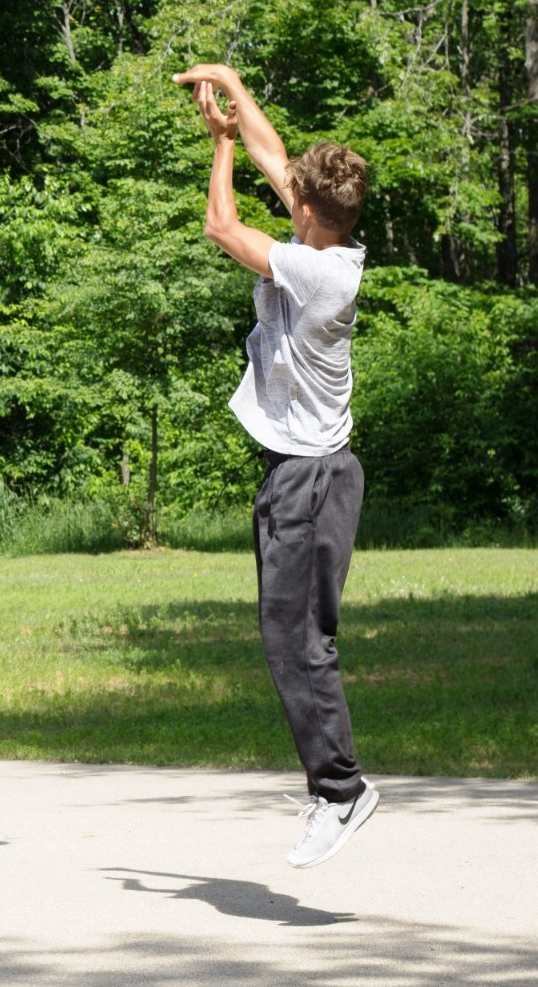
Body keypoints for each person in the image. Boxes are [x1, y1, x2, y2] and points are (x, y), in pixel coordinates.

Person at [173, 62, 379, 870]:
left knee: (296, 640)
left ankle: (340, 791)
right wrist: (230, 84)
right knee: (296, 636)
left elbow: (224, 229)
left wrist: (219, 145)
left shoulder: (322, 273)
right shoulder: (321, 235)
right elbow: (278, 152)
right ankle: (337, 789)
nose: (285, 195)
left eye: (293, 197)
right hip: (308, 474)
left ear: (308, 215)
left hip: (311, 478)